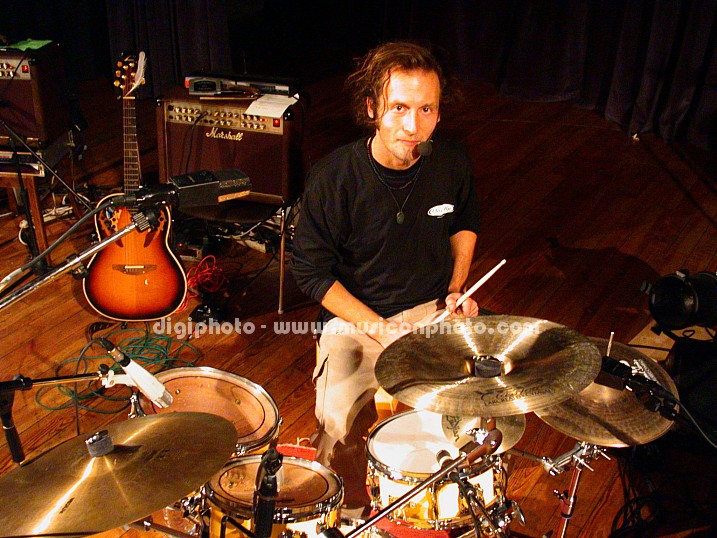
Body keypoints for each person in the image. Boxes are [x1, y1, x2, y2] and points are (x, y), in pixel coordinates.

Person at [290, 41, 481, 516]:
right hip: (356, 318)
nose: (413, 126)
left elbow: (464, 223)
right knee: (340, 428)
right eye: (399, 108)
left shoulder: (451, 161)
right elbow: (311, 272)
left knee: (468, 421)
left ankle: (436, 515)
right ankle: (349, 514)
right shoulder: (333, 177)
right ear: (373, 107)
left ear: (439, 112)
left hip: (432, 309)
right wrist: (379, 328)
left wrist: (457, 289)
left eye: (426, 109)